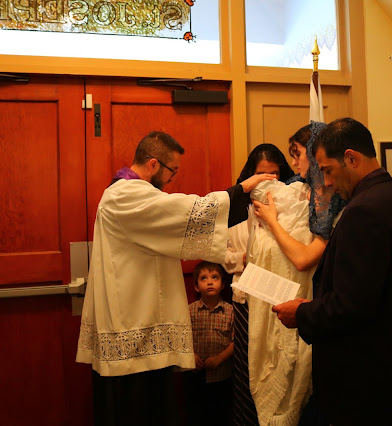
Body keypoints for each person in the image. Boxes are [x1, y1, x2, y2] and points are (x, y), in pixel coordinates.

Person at [75, 131, 274, 426]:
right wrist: (241, 190)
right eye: (173, 171)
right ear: (154, 164)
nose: (172, 179)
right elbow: (185, 212)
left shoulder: (129, 193)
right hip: (132, 322)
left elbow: (177, 219)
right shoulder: (126, 195)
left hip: (139, 317)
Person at [272, 117, 392, 426]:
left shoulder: (364, 210)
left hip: (361, 378)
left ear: (351, 158)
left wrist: (302, 313)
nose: (326, 182)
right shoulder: (388, 195)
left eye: (327, 170)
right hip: (383, 368)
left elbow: (352, 305)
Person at [245, 121, 346, 426]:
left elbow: (303, 259)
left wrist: (273, 222)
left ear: (314, 155)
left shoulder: (332, 198)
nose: (293, 163)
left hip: (316, 303)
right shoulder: (302, 191)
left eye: (297, 154)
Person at [224, 143, 294, 426]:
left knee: (275, 364)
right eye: (261, 174)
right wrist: (243, 258)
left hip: (277, 297)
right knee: (246, 365)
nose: (268, 180)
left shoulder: (290, 204)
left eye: (274, 174)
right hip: (245, 297)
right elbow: (221, 253)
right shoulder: (236, 208)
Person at [186, 261, 234, 426]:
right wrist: (191, 356)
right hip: (195, 375)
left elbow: (235, 341)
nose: (210, 282)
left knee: (219, 416)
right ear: (196, 287)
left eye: (215, 277)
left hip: (222, 376)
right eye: (204, 278)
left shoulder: (230, 311)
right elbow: (182, 338)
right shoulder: (189, 311)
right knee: (197, 416)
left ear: (223, 285)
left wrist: (220, 358)